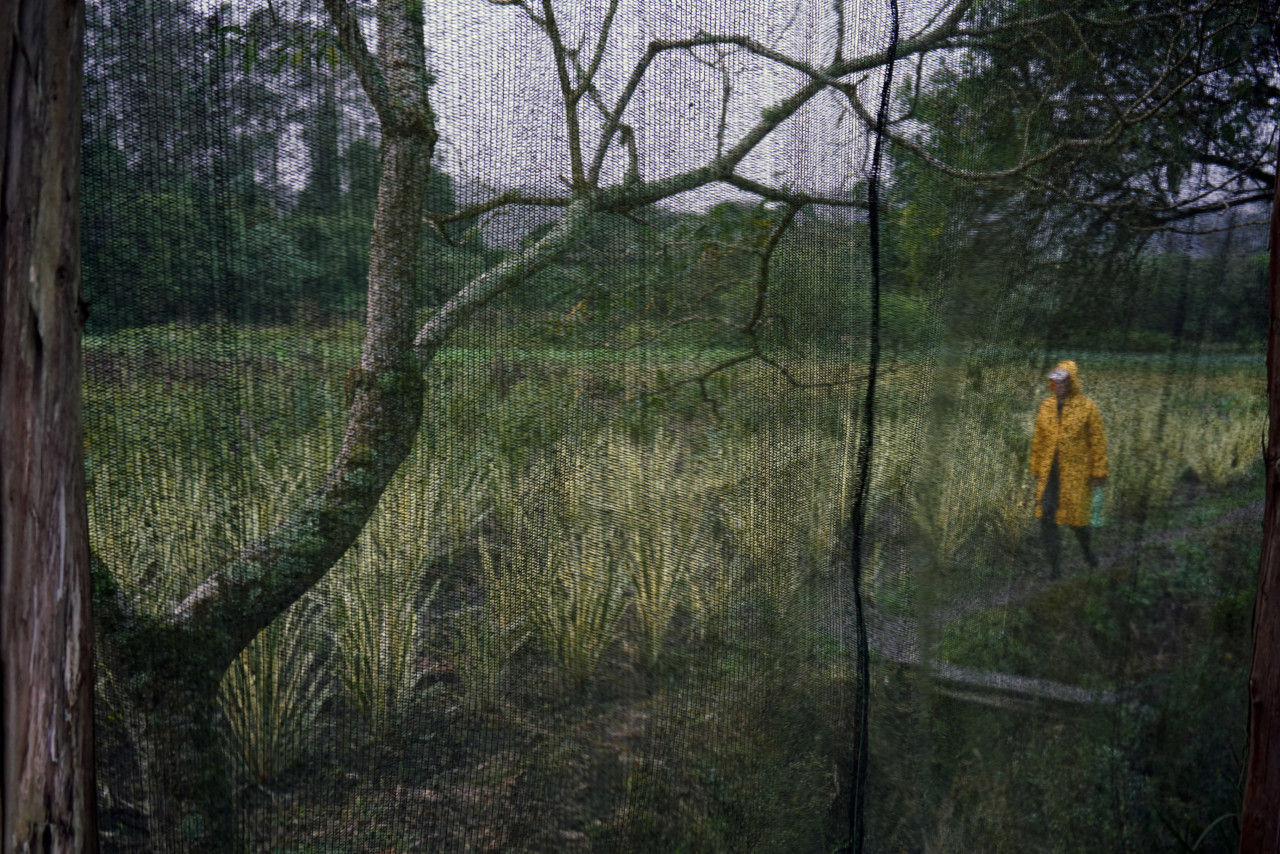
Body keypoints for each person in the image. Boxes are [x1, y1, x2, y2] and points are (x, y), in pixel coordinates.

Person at [1030, 360, 1108, 578]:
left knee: (1077, 520)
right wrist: (1036, 467)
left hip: (1076, 474)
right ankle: (1055, 569)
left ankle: (1089, 554)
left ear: (1072, 382)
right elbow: (1039, 440)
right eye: (1055, 381)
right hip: (1050, 473)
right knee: (1047, 516)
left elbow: (1097, 442)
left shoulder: (1087, 408)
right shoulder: (1046, 407)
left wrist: (1099, 472)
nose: (1059, 385)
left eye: (1063, 381)